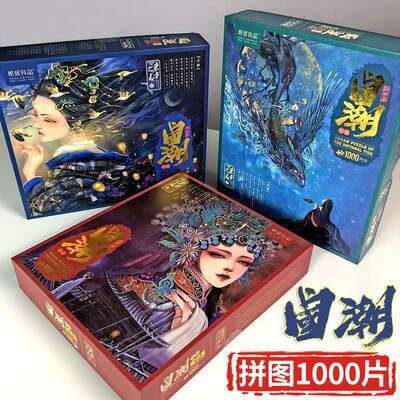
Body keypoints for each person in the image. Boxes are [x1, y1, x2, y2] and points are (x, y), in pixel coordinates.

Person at [50, 197, 280, 382]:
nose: (230, 267)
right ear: (195, 248)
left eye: (244, 262)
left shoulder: (205, 309)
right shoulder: (157, 291)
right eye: (219, 255)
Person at [1, 60, 161, 216]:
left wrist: (29, 173)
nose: (36, 123)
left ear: (76, 122)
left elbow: (44, 208)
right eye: (35, 114)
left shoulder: (72, 170)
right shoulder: (103, 157)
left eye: (48, 120)